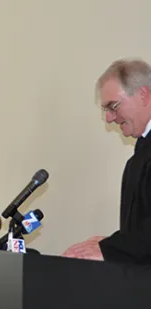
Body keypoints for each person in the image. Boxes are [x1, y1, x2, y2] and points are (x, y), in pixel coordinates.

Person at [64, 59, 151, 264]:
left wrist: (110, 248)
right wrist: (113, 244)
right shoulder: (140, 155)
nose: (110, 118)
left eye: (113, 106)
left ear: (143, 95)